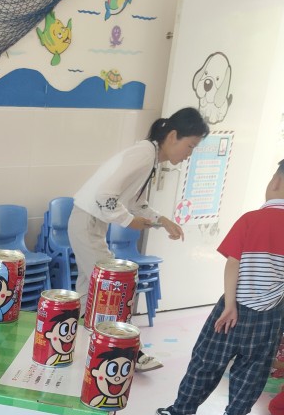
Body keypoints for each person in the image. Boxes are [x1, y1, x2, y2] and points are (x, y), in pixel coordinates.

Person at [68, 107, 209, 372]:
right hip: (87, 222)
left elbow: (135, 202)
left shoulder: (150, 156)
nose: (189, 154)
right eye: (190, 146)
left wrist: (161, 220)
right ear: (173, 136)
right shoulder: (144, 154)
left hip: (90, 223)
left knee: (90, 292)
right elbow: (105, 196)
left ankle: (73, 343)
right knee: (114, 286)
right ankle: (131, 351)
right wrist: (128, 221)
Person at [155, 160, 284, 415]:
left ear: (275, 182)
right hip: (272, 314)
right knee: (254, 367)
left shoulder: (251, 219)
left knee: (208, 359)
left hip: (234, 307)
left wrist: (229, 305)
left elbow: (233, 263)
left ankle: (179, 411)